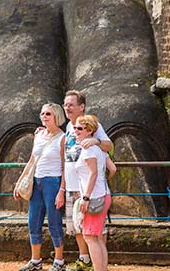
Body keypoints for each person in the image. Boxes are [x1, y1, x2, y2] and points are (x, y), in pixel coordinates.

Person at [62, 90, 114, 271]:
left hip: (90, 192)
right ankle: (85, 260)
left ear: (81, 107)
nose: (67, 107)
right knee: (80, 228)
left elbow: (108, 145)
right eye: (65, 104)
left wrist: (95, 142)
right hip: (75, 185)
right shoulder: (69, 127)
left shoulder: (91, 126)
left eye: (71, 104)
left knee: (94, 233)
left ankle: (98, 266)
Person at [14, 103, 67, 271]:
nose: (44, 116)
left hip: (53, 181)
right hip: (36, 181)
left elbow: (66, 166)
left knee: (54, 221)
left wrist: (61, 191)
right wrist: (19, 182)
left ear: (56, 116)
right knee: (33, 221)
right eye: (43, 113)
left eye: (48, 114)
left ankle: (59, 261)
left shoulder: (62, 138)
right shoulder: (38, 135)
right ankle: (35, 260)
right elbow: (32, 160)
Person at [74, 115, 111, 271]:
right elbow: (112, 169)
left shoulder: (89, 149)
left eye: (80, 129)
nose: (76, 131)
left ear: (89, 131)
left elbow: (93, 173)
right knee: (97, 238)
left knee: (90, 237)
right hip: (102, 194)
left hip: (94, 197)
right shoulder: (96, 148)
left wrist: (86, 197)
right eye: (75, 128)